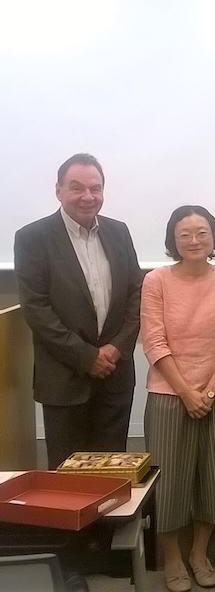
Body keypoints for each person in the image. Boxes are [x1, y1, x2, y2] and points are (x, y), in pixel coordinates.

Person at [14, 153, 142, 470]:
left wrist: (116, 347)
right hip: (64, 379)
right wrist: (87, 357)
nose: (88, 196)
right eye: (77, 188)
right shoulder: (32, 238)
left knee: (112, 473)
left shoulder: (119, 232)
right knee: (67, 478)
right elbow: (37, 309)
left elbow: (136, 295)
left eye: (95, 188)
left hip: (115, 376)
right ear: (58, 190)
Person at [141, 206, 215, 592]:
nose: (194, 240)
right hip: (169, 394)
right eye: (185, 234)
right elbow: (154, 341)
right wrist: (186, 391)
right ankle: (172, 558)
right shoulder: (156, 281)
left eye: (202, 232)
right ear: (173, 240)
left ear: (214, 237)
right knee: (169, 480)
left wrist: (210, 390)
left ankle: (199, 553)